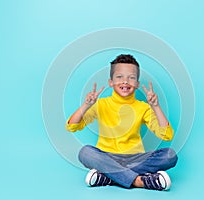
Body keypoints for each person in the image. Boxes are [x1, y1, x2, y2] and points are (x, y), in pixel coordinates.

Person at [65, 54, 177, 191]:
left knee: (169, 155)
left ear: (136, 84)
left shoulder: (143, 107)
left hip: (136, 159)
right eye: (119, 77)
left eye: (131, 78)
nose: (125, 82)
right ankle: (139, 181)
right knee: (85, 152)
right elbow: (72, 126)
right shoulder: (101, 104)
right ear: (110, 82)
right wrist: (86, 105)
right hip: (107, 157)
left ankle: (109, 177)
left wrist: (156, 107)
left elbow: (167, 135)